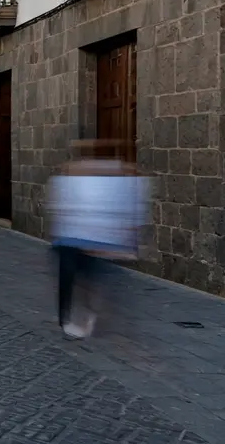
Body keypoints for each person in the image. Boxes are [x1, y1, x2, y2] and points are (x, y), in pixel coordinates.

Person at [46, 140, 148, 339]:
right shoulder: (74, 177)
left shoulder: (116, 178)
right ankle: (72, 318)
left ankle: (85, 318)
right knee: (77, 280)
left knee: (85, 281)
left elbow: (129, 209)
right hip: (72, 238)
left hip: (90, 240)